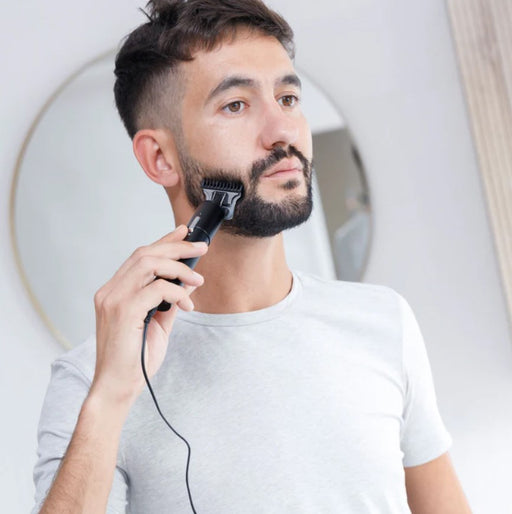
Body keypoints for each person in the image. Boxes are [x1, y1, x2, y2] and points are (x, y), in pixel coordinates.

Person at [32, 0, 472, 512]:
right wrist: (110, 398)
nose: (282, 130)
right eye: (235, 105)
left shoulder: (383, 320)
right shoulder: (92, 380)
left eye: (288, 98)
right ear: (160, 157)